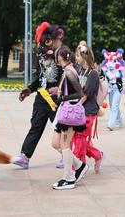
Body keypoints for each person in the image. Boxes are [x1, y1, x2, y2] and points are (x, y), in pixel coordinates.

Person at [12, 22, 64, 169]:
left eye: (49, 42)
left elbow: (68, 76)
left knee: (61, 128)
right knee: (36, 126)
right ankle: (25, 156)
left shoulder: (64, 54)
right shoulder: (42, 56)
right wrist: (29, 89)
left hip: (58, 99)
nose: (46, 46)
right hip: (42, 98)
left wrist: (59, 89)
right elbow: (39, 76)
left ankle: (66, 155)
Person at [51, 45, 88, 190]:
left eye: (57, 55)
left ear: (61, 57)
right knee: (58, 144)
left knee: (65, 145)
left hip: (69, 113)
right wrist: (59, 94)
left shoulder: (69, 72)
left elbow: (79, 92)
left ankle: (69, 178)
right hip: (66, 112)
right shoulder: (67, 70)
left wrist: (62, 98)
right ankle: (79, 166)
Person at [71, 44, 103, 173]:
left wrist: (77, 104)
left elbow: (87, 93)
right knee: (78, 138)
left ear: (84, 56)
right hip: (79, 109)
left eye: (78, 55)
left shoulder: (93, 73)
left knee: (80, 139)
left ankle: (76, 168)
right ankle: (97, 155)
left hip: (88, 111)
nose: (76, 58)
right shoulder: (79, 71)